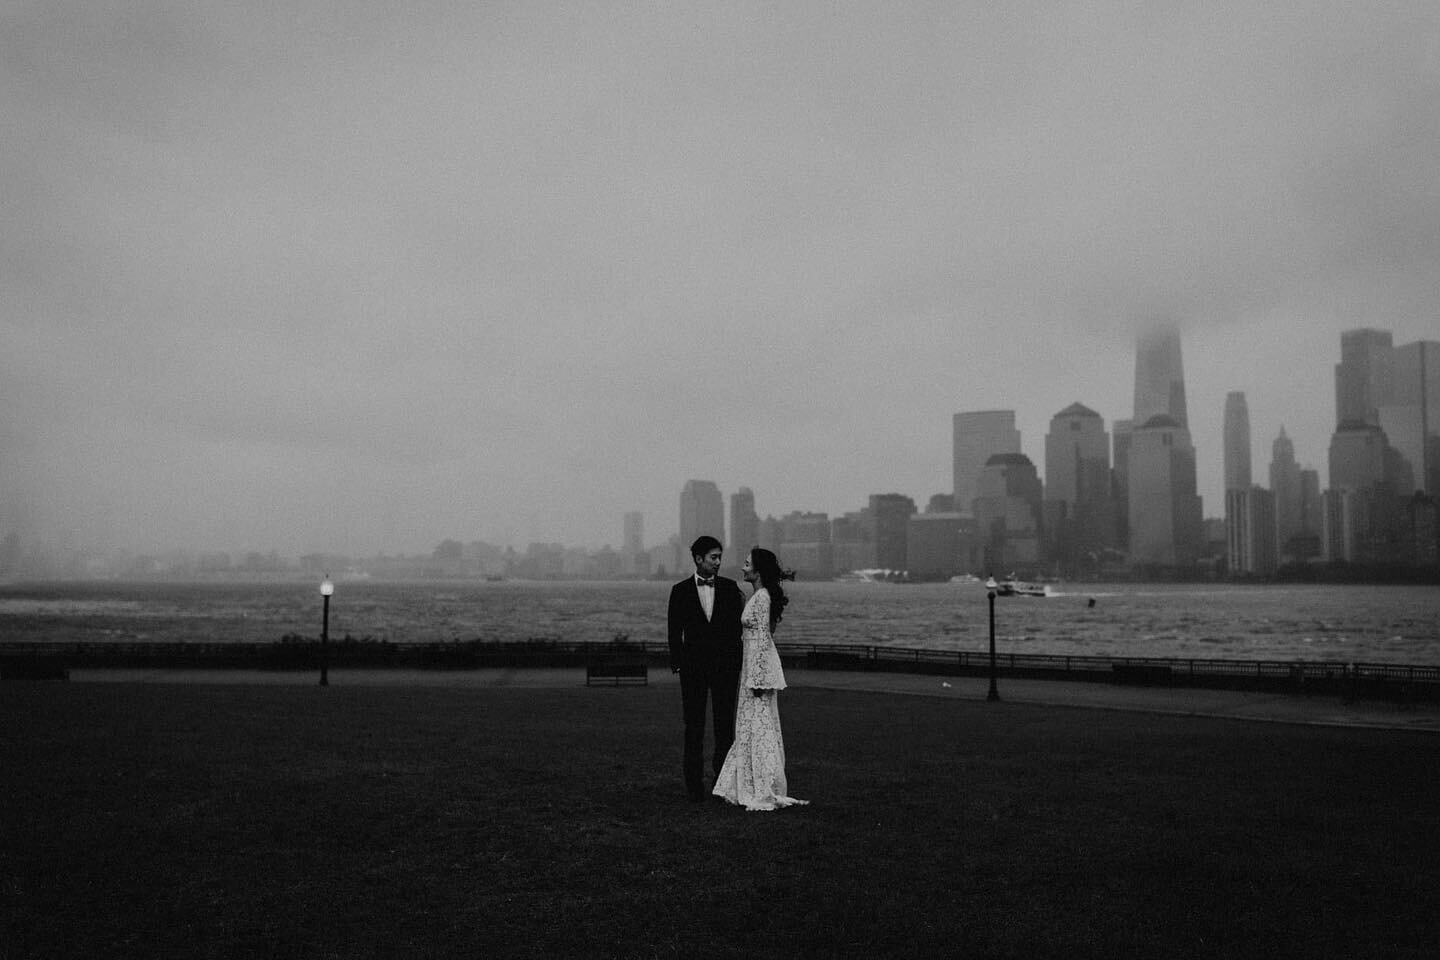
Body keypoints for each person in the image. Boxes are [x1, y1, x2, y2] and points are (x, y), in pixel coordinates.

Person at [712, 547, 808, 811]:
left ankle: (763, 786)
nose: (742, 568)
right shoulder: (759, 597)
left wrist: (756, 679)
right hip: (751, 671)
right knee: (749, 728)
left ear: (757, 570)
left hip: (756, 675)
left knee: (757, 728)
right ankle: (747, 782)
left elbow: (764, 641)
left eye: (746, 564)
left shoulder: (762, 598)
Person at [667, 535, 746, 802]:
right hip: (693, 671)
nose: (718, 562)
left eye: (720, 557)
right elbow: (673, 632)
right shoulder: (679, 591)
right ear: (698, 559)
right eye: (713, 557)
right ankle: (693, 787)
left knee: (725, 728)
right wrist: (678, 663)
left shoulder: (730, 587)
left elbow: (737, 630)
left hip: (725, 669)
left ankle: (721, 785)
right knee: (694, 727)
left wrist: (735, 662)